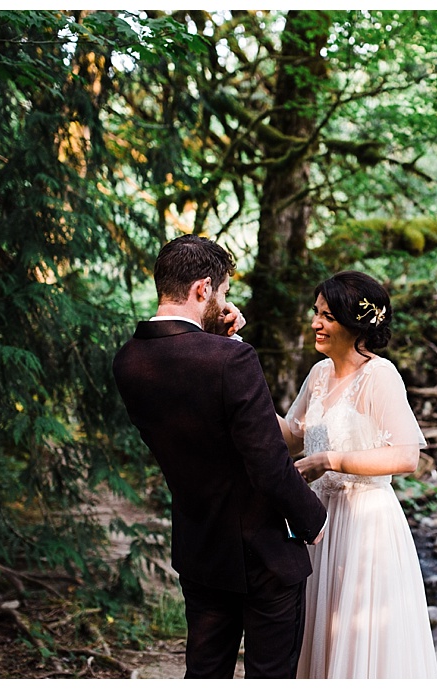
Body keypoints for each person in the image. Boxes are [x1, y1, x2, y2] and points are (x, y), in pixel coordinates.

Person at [112, 234, 327, 679]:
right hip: (263, 551)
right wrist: (313, 519)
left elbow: (193, 392)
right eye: (224, 291)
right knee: (271, 675)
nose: (226, 300)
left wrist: (218, 336)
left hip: (200, 544)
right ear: (203, 289)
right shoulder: (232, 360)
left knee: (205, 672)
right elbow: (267, 459)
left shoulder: (129, 360)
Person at [279, 270, 437, 679]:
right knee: (320, 632)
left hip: (363, 525)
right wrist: (237, 366)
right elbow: (292, 438)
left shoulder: (379, 375)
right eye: (316, 313)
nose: (316, 323)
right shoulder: (318, 375)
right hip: (317, 523)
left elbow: (406, 457)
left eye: (327, 316)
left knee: (360, 641)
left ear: (356, 323)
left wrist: (332, 460)